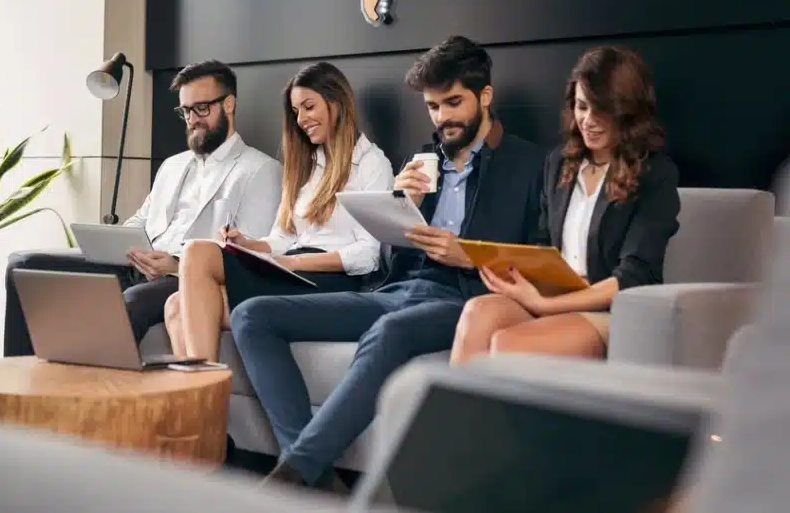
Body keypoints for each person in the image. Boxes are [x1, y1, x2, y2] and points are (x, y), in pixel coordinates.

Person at [228, 36, 545, 492]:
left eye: (453, 103)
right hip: (398, 290)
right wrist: (403, 205)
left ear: (485, 96)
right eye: (433, 107)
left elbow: (538, 254)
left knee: (391, 332)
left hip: (466, 297)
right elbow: (391, 255)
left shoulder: (531, 164)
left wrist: (468, 254)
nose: (442, 118)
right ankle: (318, 480)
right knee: (251, 315)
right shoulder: (426, 157)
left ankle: (292, 474)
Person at [2, 60, 282, 356]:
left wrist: (176, 265)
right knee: (22, 264)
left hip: (180, 278)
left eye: (201, 108)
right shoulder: (172, 166)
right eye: (185, 111)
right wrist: (114, 244)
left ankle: (93, 396)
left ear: (228, 104)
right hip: (134, 265)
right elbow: (141, 221)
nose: (192, 119)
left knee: (130, 301)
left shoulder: (261, 170)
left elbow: (253, 256)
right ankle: (18, 385)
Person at [450, 46, 680, 363]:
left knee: (509, 344)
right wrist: (515, 277)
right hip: (553, 295)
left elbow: (633, 277)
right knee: (477, 312)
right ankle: (454, 413)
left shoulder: (656, 174)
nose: (588, 121)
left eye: (602, 112)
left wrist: (542, 305)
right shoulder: (559, 162)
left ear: (628, 113)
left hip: (608, 311)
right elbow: (544, 244)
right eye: (582, 107)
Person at [165, 61, 394, 362]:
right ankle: (203, 399)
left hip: (331, 279)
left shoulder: (372, 164)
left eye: (309, 107)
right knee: (176, 302)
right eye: (296, 111)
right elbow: (282, 238)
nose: (301, 119)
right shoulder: (307, 165)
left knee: (190, 275)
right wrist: (247, 243)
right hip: (290, 268)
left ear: (337, 102)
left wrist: (296, 261)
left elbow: (369, 255)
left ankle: (204, 396)